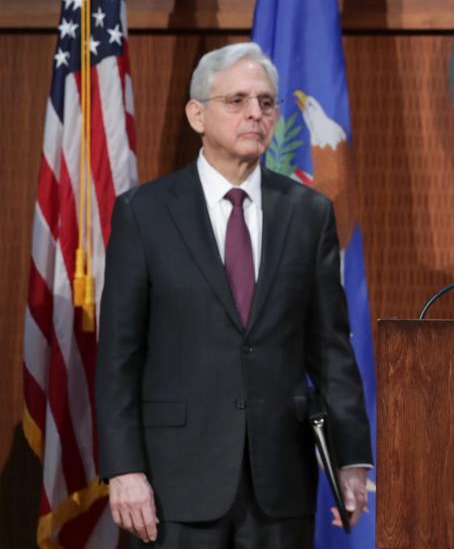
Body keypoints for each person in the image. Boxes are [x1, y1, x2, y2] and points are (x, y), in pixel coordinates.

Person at [95, 42, 372, 547]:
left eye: (266, 103)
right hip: (172, 481)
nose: (255, 114)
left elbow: (330, 347)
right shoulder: (145, 213)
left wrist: (350, 456)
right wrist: (124, 468)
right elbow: (119, 356)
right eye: (237, 101)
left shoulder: (309, 213)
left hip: (280, 482)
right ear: (197, 114)